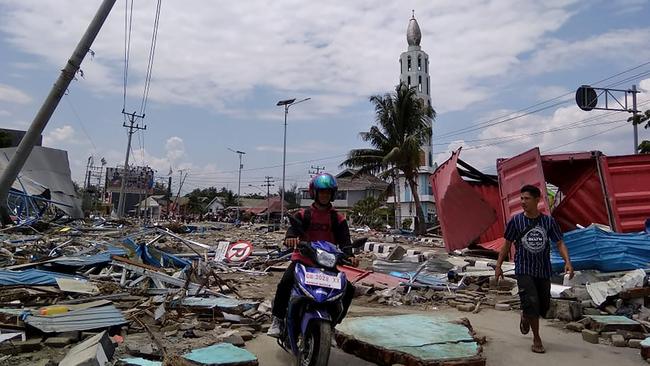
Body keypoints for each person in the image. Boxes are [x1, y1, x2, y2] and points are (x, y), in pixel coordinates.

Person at [267, 173, 358, 338]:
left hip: (327, 264)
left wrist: (350, 255)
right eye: (321, 192)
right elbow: (292, 230)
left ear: (332, 194)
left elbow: (345, 241)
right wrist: (290, 238)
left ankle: (332, 325)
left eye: (328, 192)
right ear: (314, 193)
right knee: (285, 282)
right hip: (304, 260)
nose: (325, 195)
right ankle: (278, 319)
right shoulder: (303, 215)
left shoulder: (338, 218)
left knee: (349, 289)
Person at [495, 184, 574, 354]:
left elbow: (559, 242)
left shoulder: (548, 222)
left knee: (543, 306)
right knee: (531, 301)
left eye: (527, 199)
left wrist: (567, 261)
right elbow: (507, 244)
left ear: (537, 200)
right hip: (524, 268)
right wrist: (498, 265)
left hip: (543, 269)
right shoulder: (516, 221)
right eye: (521, 198)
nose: (523, 202)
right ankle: (537, 338)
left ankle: (526, 314)